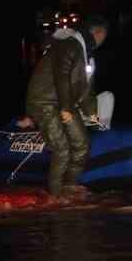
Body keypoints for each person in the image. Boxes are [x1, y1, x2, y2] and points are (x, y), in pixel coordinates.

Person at [24, 13, 107, 199]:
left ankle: (69, 185)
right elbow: (62, 77)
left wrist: (92, 113)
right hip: (45, 102)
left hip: (64, 101)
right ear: (99, 33)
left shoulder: (88, 54)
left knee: (82, 144)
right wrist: (66, 108)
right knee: (61, 149)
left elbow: (86, 90)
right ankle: (54, 196)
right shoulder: (70, 45)